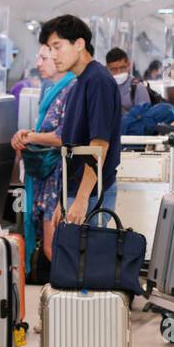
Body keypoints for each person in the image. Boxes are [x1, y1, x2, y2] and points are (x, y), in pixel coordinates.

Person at [40, 14, 121, 221]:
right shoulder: (79, 83)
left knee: (88, 252)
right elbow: (72, 145)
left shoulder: (98, 81)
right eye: (50, 49)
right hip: (75, 191)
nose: (54, 55)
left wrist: (81, 198)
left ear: (79, 44)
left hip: (91, 193)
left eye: (57, 47)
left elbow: (99, 145)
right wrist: (64, 198)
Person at [11, 44, 76, 271]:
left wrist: (30, 137)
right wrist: (27, 135)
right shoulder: (50, 88)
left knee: (52, 247)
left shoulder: (71, 89)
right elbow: (47, 129)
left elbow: (63, 136)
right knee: (50, 245)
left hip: (59, 177)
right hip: (47, 175)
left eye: (43, 57)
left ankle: (73, 298)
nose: (38, 63)